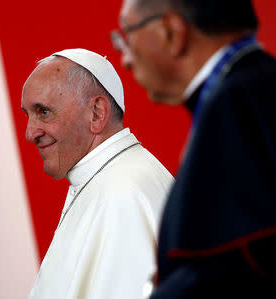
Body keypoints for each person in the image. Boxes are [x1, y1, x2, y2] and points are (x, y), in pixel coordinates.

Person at [112, 0, 276, 297]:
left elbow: (240, 264)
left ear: (172, 33)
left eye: (127, 34)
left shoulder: (240, 102)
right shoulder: (247, 90)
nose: (124, 59)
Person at [21, 48, 174, 298]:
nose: (30, 133)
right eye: (28, 115)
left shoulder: (125, 192)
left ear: (96, 113)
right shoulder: (111, 179)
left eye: (44, 112)